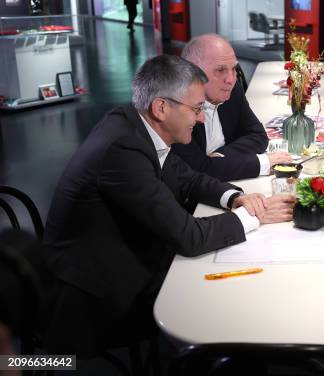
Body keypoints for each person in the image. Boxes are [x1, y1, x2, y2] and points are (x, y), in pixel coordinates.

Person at [42, 55, 295, 356]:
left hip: (132, 254)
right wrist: (256, 215)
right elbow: (188, 237)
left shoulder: (137, 125)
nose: (201, 119)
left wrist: (235, 198)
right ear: (161, 107)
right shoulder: (123, 148)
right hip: (97, 296)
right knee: (228, 311)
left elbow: (188, 179)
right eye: (197, 109)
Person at [173, 34, 292, 181]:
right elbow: (197, 171)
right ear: (192, 71)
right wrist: (263, 163)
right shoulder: (177, 107)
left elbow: (258, 136)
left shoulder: (231, 90)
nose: (230, 79)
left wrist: (219, 157)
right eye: (220, 70)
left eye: (234, 69)